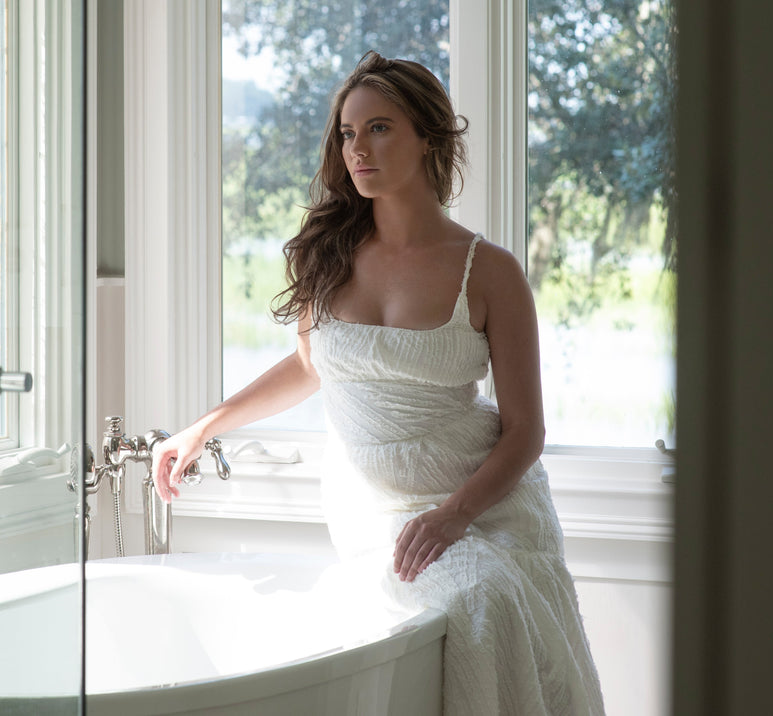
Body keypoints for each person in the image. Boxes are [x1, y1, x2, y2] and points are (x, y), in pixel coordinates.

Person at [152, 51, 605, 715]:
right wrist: (202, 428)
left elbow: (526, 430)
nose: (357, 148)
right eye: (347, 133)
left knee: (484, 600)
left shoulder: (491, 272)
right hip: (377, 511)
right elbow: (312, 365)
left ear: (428, 136)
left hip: (484, 505)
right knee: (455, 608)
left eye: (379, 128)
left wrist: (455, 515)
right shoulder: (329, 256)